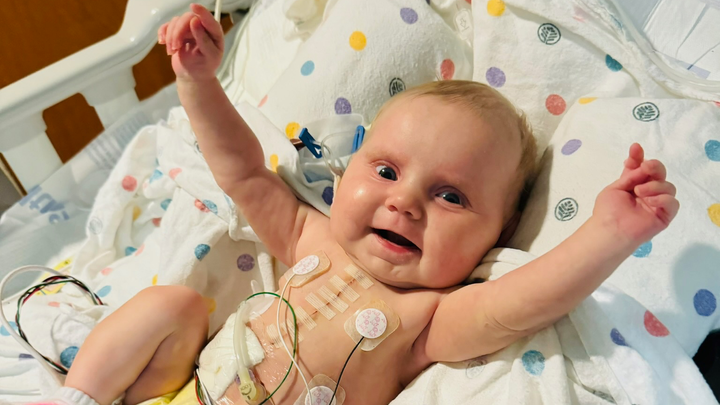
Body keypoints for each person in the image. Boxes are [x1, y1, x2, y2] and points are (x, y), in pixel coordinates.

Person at [46, 4, 679, 405]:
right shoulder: (310, 236)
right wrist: (198, 83)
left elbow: (522, 303)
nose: (404, 203)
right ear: (347, 171)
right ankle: (78, 397)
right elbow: (242, 172)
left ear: (498, 235)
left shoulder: (431, 317)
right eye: (385, 171)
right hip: (179, 394)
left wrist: (607, 233)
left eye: (451, 196)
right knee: (171, 305)